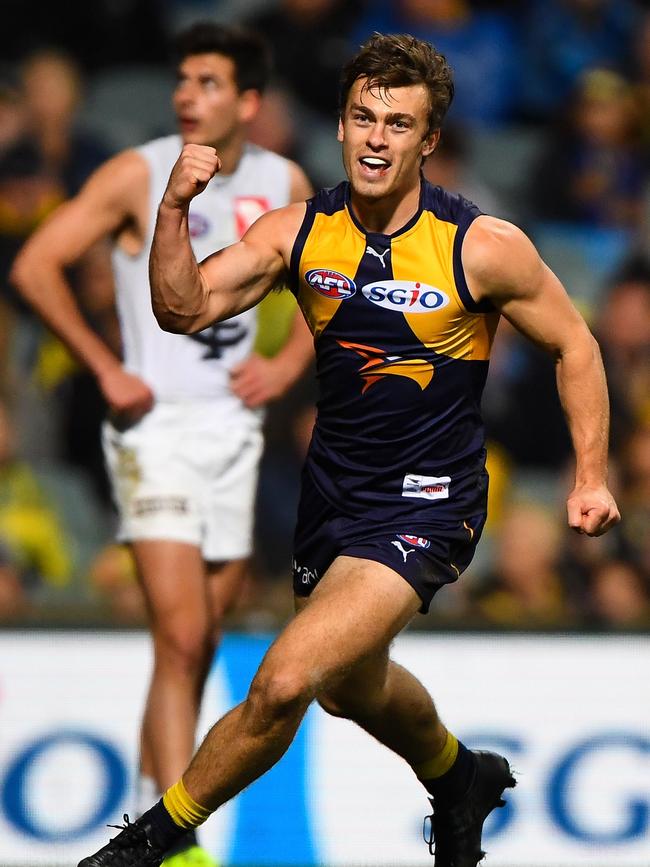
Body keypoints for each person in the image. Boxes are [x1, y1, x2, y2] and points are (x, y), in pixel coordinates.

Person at [77, 32, 620, 867]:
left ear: (428, 140)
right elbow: (183, 308)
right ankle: (458, 773)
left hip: (430, 502)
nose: (376, 138)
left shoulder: (482, 246)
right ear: (340, 125)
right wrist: (174, 210)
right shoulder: (300, 233)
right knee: (348, 689)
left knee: (287, 678)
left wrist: (589, 475)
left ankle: (146, 842)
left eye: (398, 124)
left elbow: (576, 346)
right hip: (333, 499)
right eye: (364, 117)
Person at [11, 22, 313, 867]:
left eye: (208, 83)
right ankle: (178, 847)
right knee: (181, 639)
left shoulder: (281, 180)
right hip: (156, 429)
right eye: (183, 80)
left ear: (248, 101)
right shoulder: (136, 173)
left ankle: (150, 814)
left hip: (235, 431)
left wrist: (287, 361)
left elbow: (331, 284)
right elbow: (37, 264)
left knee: (198, 643)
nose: (186, 95)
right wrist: (105, 365)